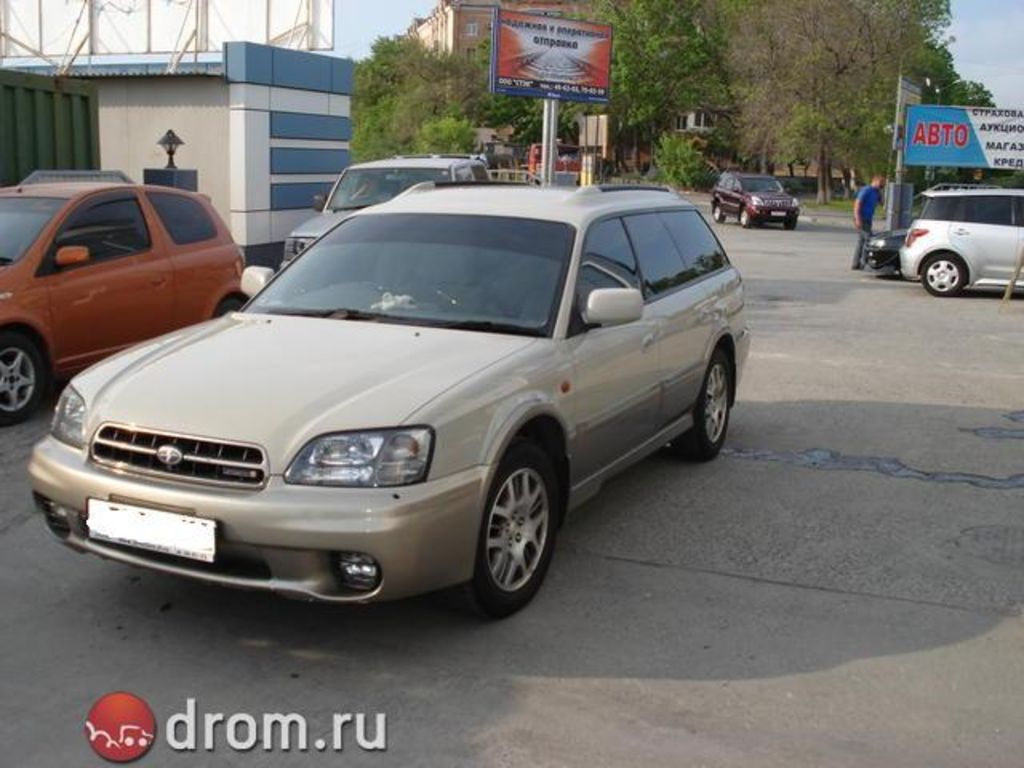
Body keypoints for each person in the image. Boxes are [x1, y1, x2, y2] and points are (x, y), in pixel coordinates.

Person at [851, 175, 885, 270]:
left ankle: (855, 263)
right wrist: (857, 218)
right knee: (868, 239)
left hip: (868, 219)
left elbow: (882, 203)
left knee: (861, 241)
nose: (882, 185)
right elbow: (857, 203)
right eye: (881, 183)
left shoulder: (876, 192)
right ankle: (863, 262)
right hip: (861, 218)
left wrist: (881, 195)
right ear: (875, 181)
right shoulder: (866, 190)